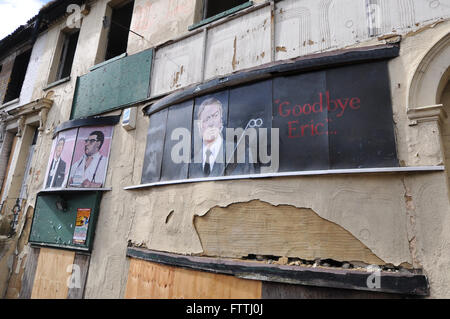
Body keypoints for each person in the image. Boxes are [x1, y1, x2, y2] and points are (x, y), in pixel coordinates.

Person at [189, 97, 255, 178]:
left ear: (221, 121)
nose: (211, 123)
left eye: (215, 116)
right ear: (200, 126)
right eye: (206, 119)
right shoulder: (188, 167)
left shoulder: (242, 154)